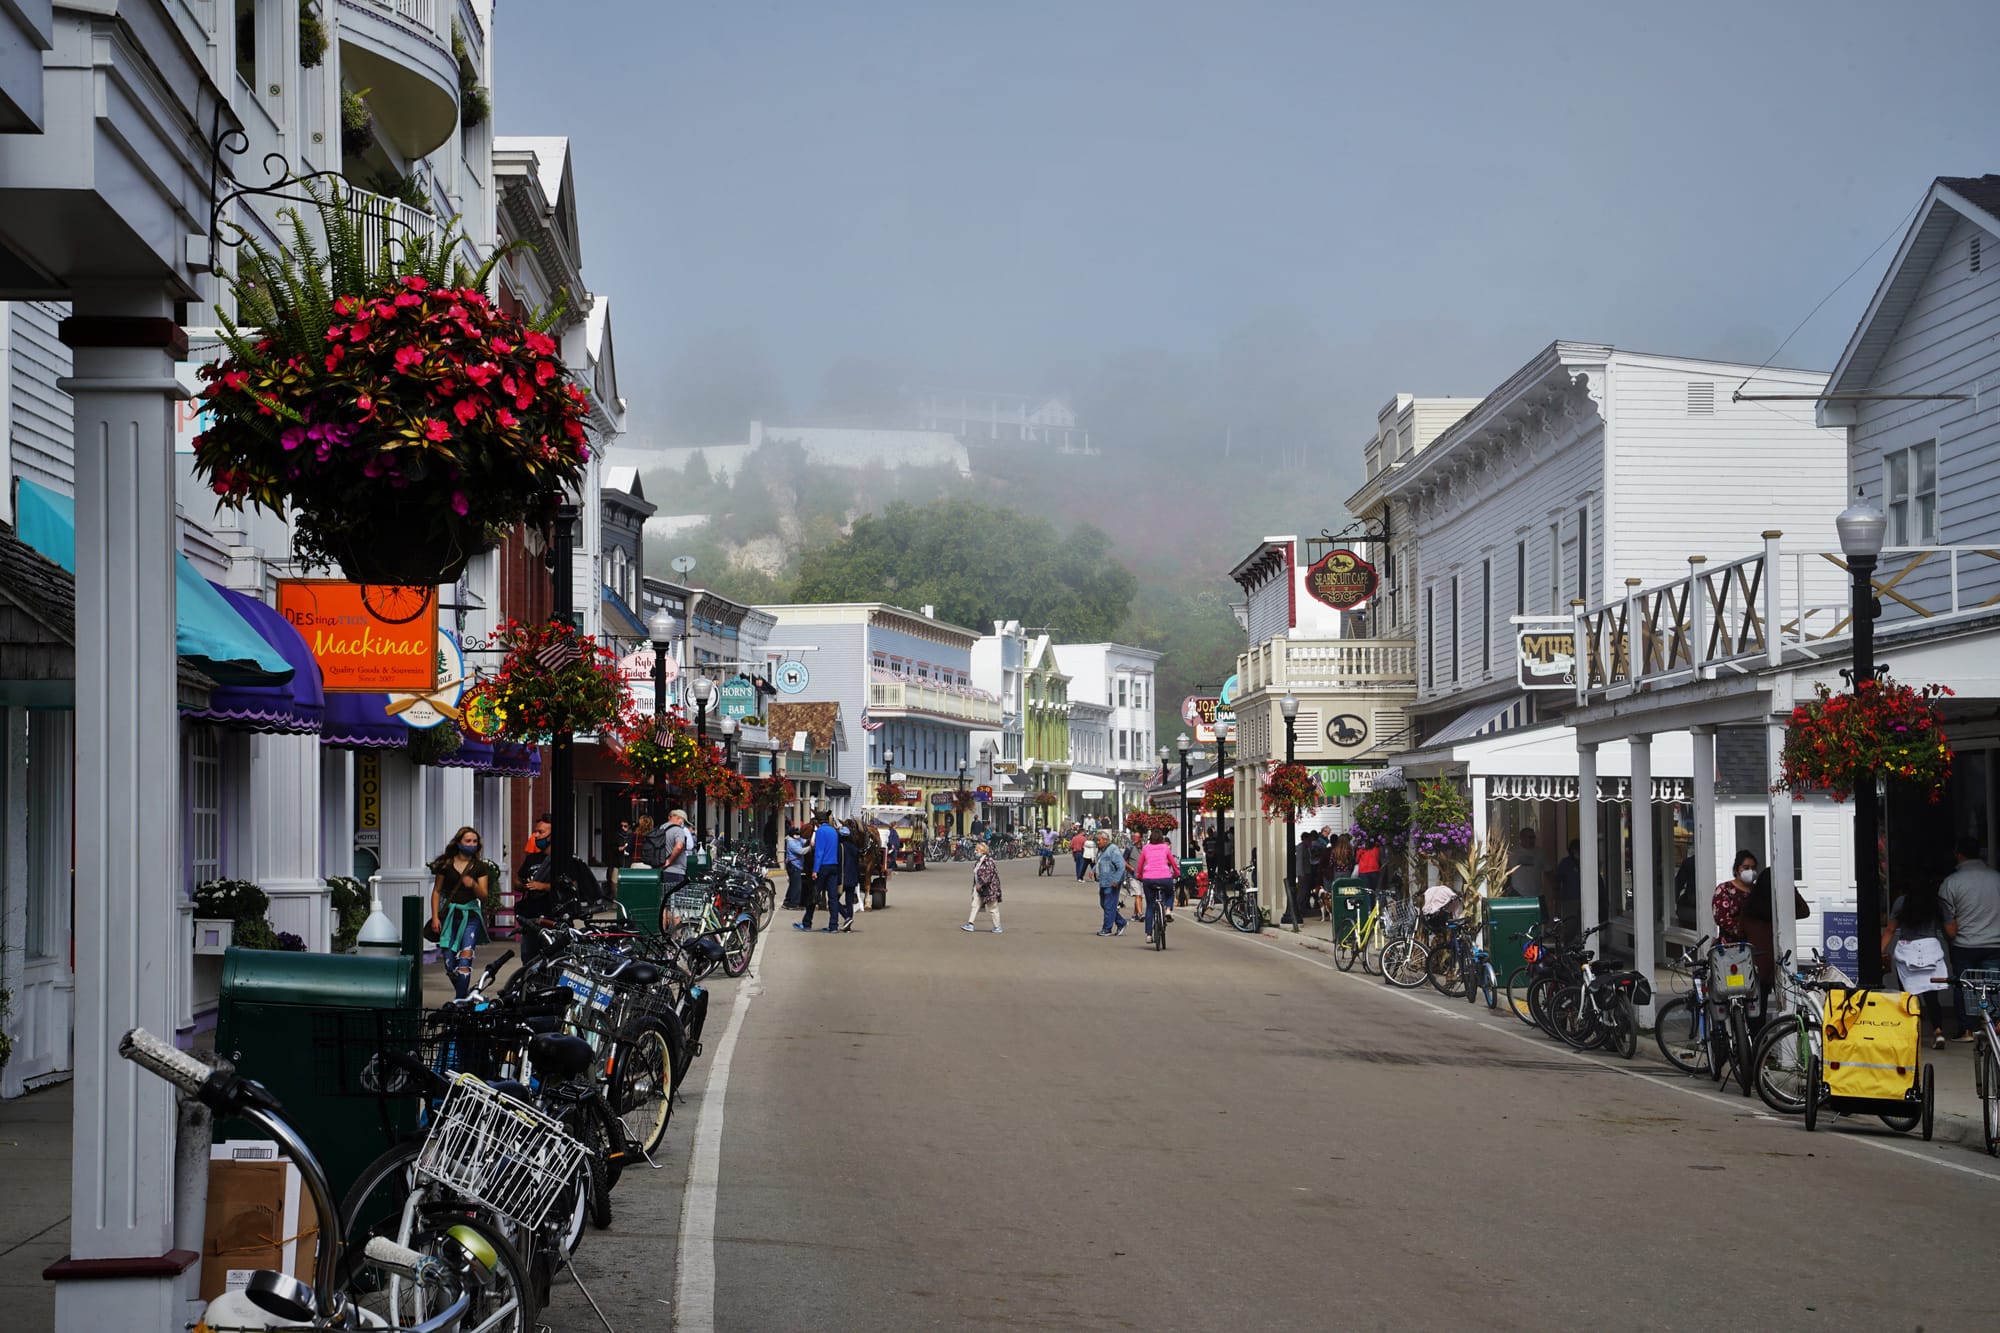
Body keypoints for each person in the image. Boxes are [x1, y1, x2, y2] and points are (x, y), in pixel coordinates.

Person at [1884, 871, 1954, 1049]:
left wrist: (1880, 950)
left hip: (1907, 951)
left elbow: (1890, 929)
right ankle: (1938, 1032)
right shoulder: (1938, 903)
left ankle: (1911, 1033)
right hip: (1930, 950)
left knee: (1908, 995)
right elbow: (1951, 932)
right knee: (1932, 996)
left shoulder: (1902, 902)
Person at [1941, 834, 2000, 1041]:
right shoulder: (1996, 878)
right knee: (1993, 986)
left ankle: (1967, 1030)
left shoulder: (1951, 883)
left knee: (1965, 985)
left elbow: (1950, 925)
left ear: (1958, 855)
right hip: (1995, 943)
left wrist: (1951, 936)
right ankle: (1992, 1029)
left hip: (1964, 944)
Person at [428, 826, 491, 999]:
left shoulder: (480, 867)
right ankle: (464, 995)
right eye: (468, 841)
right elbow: (437, 891)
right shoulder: (446, 865)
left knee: (465, 960)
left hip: (470, 916)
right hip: (449, 916)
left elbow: (484, 896)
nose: (472, 844)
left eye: (475, 841)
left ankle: (460, 1001)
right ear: (458, 842)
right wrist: (435, 917)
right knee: (449, 963)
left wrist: (474, 885)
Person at [515, 814, 556, 963]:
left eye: (541, 832)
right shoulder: (532, 858)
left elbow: (572, 886)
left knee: (553, 961)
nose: (536, 835)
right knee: (528, 959)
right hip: (531, 919)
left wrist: (543, 886)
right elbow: (517, 880)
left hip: (553, 918)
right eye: (536, 832)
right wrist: (523, 885)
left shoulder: (564, 859)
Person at [649, 810, 694, 934]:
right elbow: (679, 846)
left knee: (664, 906)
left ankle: (662, 936)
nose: (682, 823)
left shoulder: (660, 828)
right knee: (676, 907)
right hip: (676, 872)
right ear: (678, 818)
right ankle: (677, 937)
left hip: (660, 872)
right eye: (682, 821)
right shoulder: (678, 830)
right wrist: (669, 860)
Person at [797, 812, 842, 931]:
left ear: (817, 821)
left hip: (823, 866)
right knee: (832, 898)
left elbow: (819, 852)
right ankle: (834, 926)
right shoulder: (834, 831)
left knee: (814, 894)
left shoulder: (820, 832)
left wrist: (815, 870)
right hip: (834, 865)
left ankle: (807, 923)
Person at [1134, 828, 1179, 942]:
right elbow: (1173, 862)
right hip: (1164, 877)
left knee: (1150, 905)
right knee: (1170, 893)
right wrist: (1177, 873)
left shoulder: (1145, 848)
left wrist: (1139, 876)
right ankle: (1168, 909)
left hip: (1148, 878)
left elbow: (1140, 865)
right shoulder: (1165, 847)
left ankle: (1149, 935)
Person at [1092, 833, 1129, 936]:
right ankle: (1121, 922)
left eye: (1099, 840)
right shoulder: (1102, 850)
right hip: (1103, 882)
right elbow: (1100, 862)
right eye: (1097, 840)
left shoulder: (1113, 850)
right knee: (1105, 904)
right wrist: (1093, 870)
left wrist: (1116, 880)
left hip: (1112, 882)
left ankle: (1107, 928)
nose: (1098, 842)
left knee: (1109, 905)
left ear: (1105, 840)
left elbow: (1121, 866)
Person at [964, 842, 1003, 933]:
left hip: (990, 889)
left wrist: (980, 883)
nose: (975, 852)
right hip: (979, 888)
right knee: (975, 905)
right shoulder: (979, 861)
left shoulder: (989, 861)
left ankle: (997, 926)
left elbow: (989, 874)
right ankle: (970, 924)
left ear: (983, 851)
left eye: (977, 850)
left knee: (993, 908)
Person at [1506, 827, 1546, 899]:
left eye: (1533, 837)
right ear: (1522, 838)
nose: (1532, 840)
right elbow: (1506, 873)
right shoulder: (1512, 853)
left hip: (1537, 894)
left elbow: (1548, 871)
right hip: (1517, 894)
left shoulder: (1540, 853)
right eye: (1530, 837)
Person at [1555, 839, 1582, 922]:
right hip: (1570, 899)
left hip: (1586, 898)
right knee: (1570, 923)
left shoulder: (1587, 861)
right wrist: (1557, 897)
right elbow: (1557, 880)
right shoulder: (1566, 863)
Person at [783, 822, 808, 910]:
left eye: (798, 834)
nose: (798, 836)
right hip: (793, 866)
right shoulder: (791, 843)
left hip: (797, 865)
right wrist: (811, 847)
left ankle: (787, 900)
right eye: (796, 834)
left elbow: (805, 841)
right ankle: (793, 904)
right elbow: (801, 851)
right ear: (792, 834)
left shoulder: (798, 839)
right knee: (797, 886)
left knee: (793, 884)